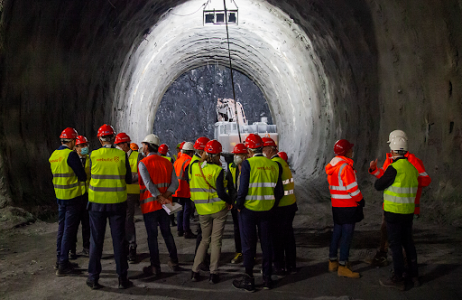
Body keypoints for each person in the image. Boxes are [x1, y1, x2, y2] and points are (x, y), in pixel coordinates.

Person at [368, 130, 431, 267]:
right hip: (391, 204)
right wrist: (375, 171)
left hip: (405, 205)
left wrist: (407, 181)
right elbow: (387, 178)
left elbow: (425, 180)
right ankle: (384, 256)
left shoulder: (413, 161)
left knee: (402, 238)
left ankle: (403, 267)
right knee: (386, 231)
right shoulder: (390, 160)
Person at [232, 134, 284, 291]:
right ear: (261, 147)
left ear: (249, 149)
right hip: (267, 211)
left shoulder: (248, 164)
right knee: (267, 245)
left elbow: (242, 190)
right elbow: (279, 191)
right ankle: (267, 278)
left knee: (249, 245)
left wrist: (238, 205)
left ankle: (249, 279)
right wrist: (271, 206)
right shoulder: (274, 165)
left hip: (249, 211)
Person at [86, 124, 132, 290]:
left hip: (96, 205)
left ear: (99, 139)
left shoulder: (93, 155)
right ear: (113, 138)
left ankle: (93, 278)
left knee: (96, 242)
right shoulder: (121, 155)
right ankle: (122, 278)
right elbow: (127, 178)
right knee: (119, 242)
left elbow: (90, 175)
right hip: (117, 204)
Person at [375, 135, 421, 290]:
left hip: (393, 213)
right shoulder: (413, 169)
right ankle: (413, 275)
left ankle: (398, 277)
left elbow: (378, 185)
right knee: (408, 243)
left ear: (393, 150)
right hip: (408, 212)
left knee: (395, 245)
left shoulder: (393, 168)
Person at [190, 140, 232, 284]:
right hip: (218, 210)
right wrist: (230, 201)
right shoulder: (218, 170)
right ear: (218, 155)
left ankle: (195, 271)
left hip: (202, 210)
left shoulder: (195, 167)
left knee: (204, 240)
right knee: (216, 241)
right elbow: (221, 192)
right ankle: (213, 274)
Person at [138, 134, 180, 277]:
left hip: (150, 206)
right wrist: (166, 196)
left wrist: (159, 197)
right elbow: (175, 183)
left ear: (148, 146)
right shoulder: (167, 162)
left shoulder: (143, 163)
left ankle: (155, 267)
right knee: (167, 232)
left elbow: (148, 184)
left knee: (152, 237)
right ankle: (174, 261)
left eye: (144, 144)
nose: (142, 147)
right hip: (165, 206)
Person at [49, 127, 87, 276]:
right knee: (68, 231)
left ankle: (60, 259)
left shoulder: (54, 155)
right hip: (72, 198)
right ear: (71, 141)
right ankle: (63, 264)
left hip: (60, 197)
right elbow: (82, 176)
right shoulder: (70, 155)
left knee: (61, 229)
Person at [325, 139, 364, 279]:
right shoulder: (345, 167)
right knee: (347, 235)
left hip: (337, 205)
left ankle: (332, 261)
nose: (352, 151)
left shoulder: (333, 166)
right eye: (350, 149)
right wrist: (360, 200)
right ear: (346, 151)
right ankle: (343, 265)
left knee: (337, 232)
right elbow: (352, 189)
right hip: (348, 206)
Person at [262, 137, 298, 275]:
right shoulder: (281, 162)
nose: (262, 152)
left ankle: (279, 265)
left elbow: (277, 190)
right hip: (289, 205)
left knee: (277, 238)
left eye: (263, 150)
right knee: (288, 237)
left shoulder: (274, 164)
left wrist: (271, 207)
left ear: (270, 150)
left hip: (281, 207)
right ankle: (291, 265)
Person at [115, 132, 143, 264]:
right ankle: (122, 248)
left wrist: (129, 177)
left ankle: (131, 247)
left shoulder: (137, 156)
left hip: (131, 193)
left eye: (122, 144)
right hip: (116, 193)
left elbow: (142, 174)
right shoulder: (115, 156)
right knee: (119, 222)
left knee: (128, 220)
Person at [226, 143, 248, 264]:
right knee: (237, 229)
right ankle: (239, 252)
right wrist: (233, 201)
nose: (236, 156)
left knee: (248, 231)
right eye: (235, 154)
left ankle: (250, 254)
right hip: (236, 204)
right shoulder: (231, 167)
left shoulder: (249, 166)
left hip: (248, 204)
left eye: (239, 154)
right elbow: (230, 186)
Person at [71, 135, 91, 257]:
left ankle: (87, 247)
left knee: (87, 223)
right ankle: (72, 249)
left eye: (86, 145)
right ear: (76, 147)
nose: (85, 147)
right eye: (82, 145)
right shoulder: (72, 159)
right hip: (76, 195)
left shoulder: (91, 158)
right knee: (73, 224)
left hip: (88, 195)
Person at [173, 142, 196, 238]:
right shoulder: (188, 161)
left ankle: (180, 230)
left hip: (177, 189)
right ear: (191, 152)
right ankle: (186, 230)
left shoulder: (178, 160)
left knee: (180, 210)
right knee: (187, 210)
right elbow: (188, 177)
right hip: (185, 189)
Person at [158, 143, 177, 227]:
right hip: (168, 184)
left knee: (159, 204)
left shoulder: (156, 159)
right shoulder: (169, 159)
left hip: (158, 184)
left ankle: (159, 221)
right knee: (169, 203)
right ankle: (171, 221)